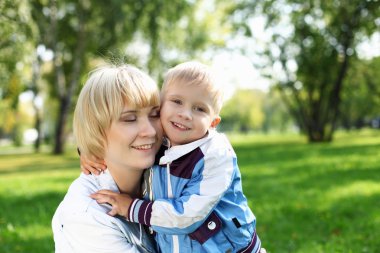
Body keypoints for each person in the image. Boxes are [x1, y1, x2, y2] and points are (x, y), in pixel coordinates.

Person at [89, 61, 262, 253]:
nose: (185, 114)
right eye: (177, 101)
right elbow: (116, 140)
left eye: (200, 109)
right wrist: (90, 152)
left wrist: (131, 208)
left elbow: (186, 216)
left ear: (213, 122)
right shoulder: (161, 139)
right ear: (161, 105)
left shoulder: (215, 156)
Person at [52, 64, 163, 252]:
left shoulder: (169, 171)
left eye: (155, 115)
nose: (150, 131)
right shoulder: (87, 216)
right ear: (96, 130)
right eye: (130, 119)